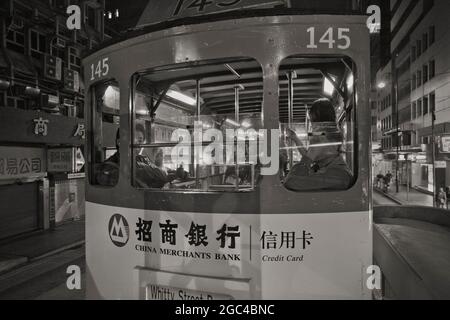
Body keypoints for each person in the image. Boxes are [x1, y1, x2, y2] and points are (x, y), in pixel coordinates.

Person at [283, 98, 353, 191]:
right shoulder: (321, 166)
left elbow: (291, 181)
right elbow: (309, 154)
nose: (312, 145)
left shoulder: (339, 175)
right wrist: (295, 138)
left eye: (317, 140)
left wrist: (309, 157)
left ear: (332, 143)